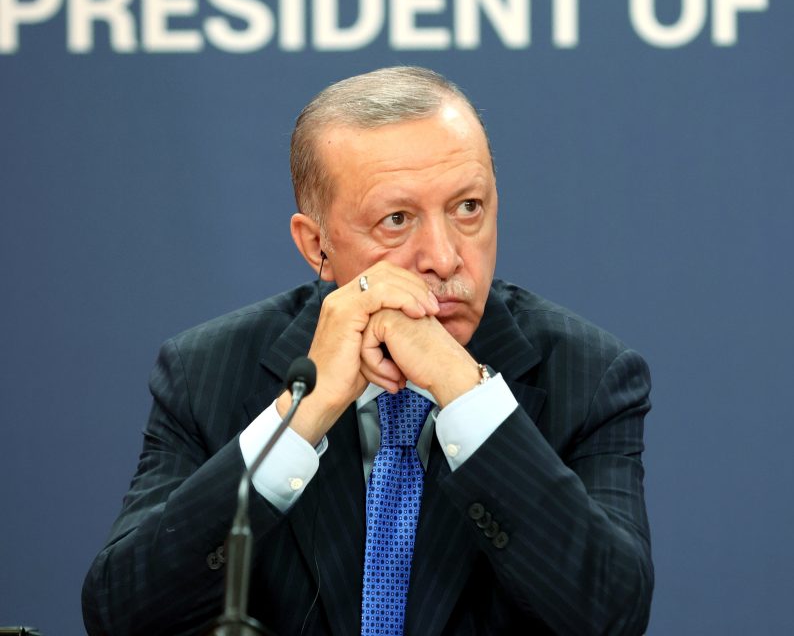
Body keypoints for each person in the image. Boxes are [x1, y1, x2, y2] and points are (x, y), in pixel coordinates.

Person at [82, 66, 653, 635]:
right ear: (316, 244)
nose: (444, 257)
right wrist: (301, 417)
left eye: (468, 208)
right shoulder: (206, 372)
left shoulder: (588, 376)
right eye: (396, 220)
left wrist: (465, 391)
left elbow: (611, 616)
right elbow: (123, 617)